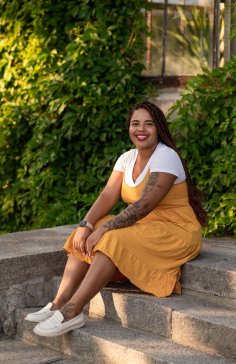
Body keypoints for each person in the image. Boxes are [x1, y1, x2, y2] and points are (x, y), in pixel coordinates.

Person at [25, 100, 207, 337]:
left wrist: (104, 230)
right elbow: (108, 195)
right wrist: (86, 225)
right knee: (91, 231)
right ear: (129, 128)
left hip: (175, 231)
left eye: (148, 124)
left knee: (112, 238)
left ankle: (72, 312)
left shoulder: (166, 156)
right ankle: (59, 303)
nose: (141, 130)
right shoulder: (127, 158)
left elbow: (144, 205)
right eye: (135, 124)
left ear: (159, 128)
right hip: (145, 227)